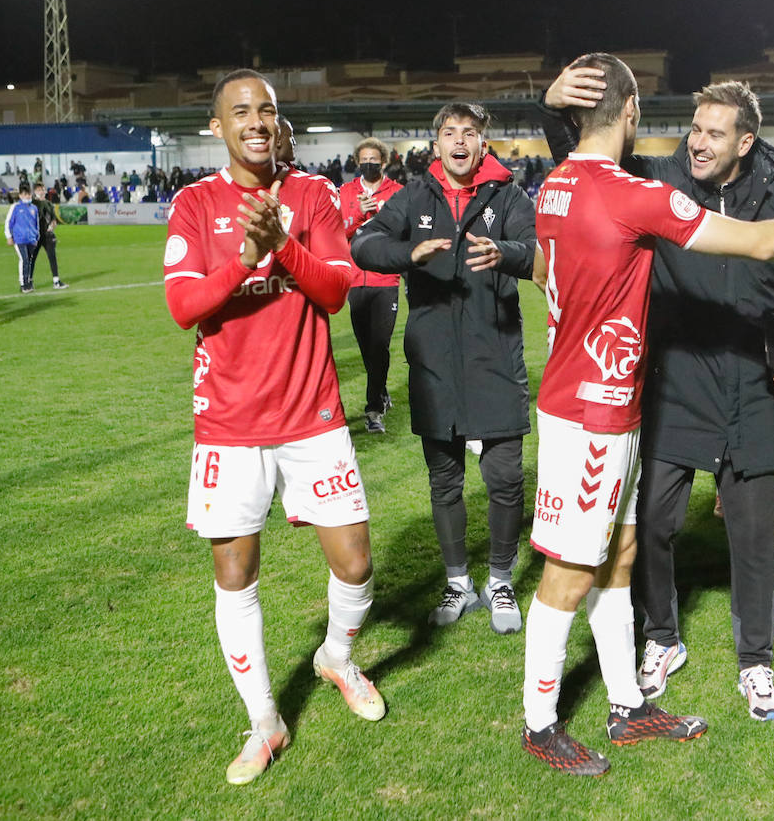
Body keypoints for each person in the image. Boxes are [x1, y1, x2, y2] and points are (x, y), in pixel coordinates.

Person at [520, 53, 774, 775]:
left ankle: (627, 706)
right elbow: (766, 242)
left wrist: (553, 112)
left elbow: (552, 255)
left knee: (618, 556)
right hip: (593, 405)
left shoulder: (557, 183)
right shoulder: (632, 192)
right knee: (570, 572)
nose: (698, 142)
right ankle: (539, 722)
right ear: (635, 117)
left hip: (609, 398)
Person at [163, 69, 384, 785]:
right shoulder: (194, 204)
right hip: (228, 424)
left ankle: (336, 660)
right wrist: (244, 258)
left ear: (278, 122)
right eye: (240, 112)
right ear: (217, 126)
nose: (255, 121)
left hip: (312, 413)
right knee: (236, 573)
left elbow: (334, 291)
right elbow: (185, 305)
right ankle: (264, 720)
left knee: (354, 562)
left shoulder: (312, 195)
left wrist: (283, 248)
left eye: (266, 110)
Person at [352, 103, 534, 635]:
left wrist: (506, 253)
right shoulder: (413, 197)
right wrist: (409, 253)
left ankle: (499, 580)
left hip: (495, 355)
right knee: (445, 479)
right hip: (433, 361)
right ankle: (457, 580)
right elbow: (364, 243)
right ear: (436, 145)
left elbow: (540, 249)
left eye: (470, 133)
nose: (459, 141)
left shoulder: (509, 195)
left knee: (503, 478)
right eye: (450, 132)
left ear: (483, 144)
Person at [340, 137, 403, 434]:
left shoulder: (398, 193)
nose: (369, 163)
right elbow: (337, 232)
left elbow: (405, 231)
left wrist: (380, 216)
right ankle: (380, 390)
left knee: (379, 345)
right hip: (355, 279)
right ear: (357, 161)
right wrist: (356, 215)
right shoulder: (345, 193)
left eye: (374, 159)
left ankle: (373, 409)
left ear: (384, 161)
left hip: (386, 279)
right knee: (367, 348)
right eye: (364, 159)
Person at [30, 183, 68, 289]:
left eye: (42, 189)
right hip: (35, 236)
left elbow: (54, 220)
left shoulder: (49, 204)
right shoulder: (32, 204)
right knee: (32, 259)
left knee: (52, 257)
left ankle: (56, 281)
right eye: (38, 190)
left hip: (47, 235)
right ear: (35, 192)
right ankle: (29, 281)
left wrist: (52, 225)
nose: (41, 192)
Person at [4, 189, 40, 292]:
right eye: (25, 194)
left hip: (31, 239)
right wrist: (9, 236)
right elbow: (9, 222)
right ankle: (24, 284)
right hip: (19, 239)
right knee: (24, 259)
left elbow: (36, 223)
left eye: (28, 194)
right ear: (20, 195)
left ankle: (28, 282)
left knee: (29, 261)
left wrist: (37, 236)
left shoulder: (34, 208)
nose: (27, 196)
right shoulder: (15, 207)